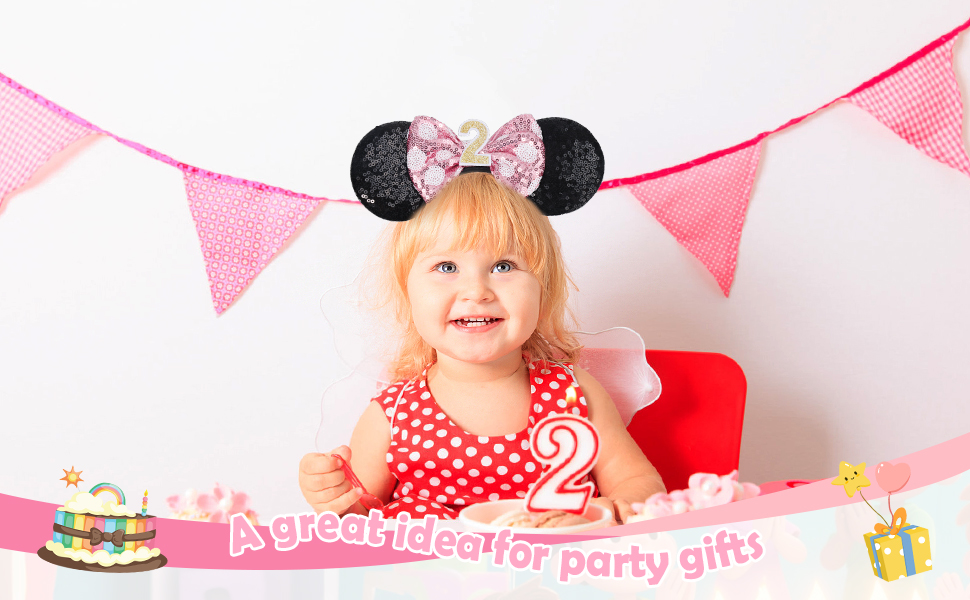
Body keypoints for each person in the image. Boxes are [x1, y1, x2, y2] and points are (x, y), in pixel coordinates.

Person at [300, 115, 665, 524]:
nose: (477, 291)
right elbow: (361, 522)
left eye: (504, 266)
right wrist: (336, 497)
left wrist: (616, 509)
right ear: (408, 294)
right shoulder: (393, 414)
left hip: (550, 564)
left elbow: (638, 482)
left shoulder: (573, 394)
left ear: (543, 289)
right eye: (446, 267)